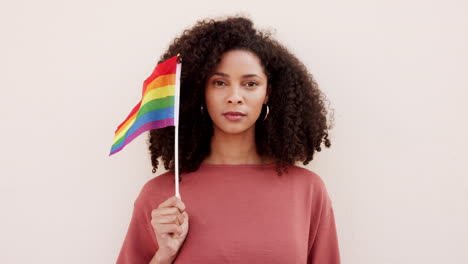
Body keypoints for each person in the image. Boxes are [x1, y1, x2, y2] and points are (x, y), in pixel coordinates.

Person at [116, 15, 340, 264]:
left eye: (250, 84)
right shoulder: (161, 197)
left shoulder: (307, 191)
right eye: (220, 83)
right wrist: (164, 254)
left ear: (268, 93)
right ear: (202, 92)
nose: (235, 97)